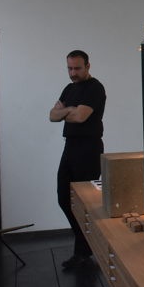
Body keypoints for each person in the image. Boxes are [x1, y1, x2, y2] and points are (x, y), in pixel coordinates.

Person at [49, 50, 106, 270]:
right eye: (69, 68)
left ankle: (82, 251)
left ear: (88, 66)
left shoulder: (95, 88)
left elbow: (80, 117)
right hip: (70, 146)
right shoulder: (69, 88)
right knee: (63, 197)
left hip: (89, 148)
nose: (73, 73)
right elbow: (52, 116)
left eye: (77, 68)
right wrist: (69, 110)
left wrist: (65, 111)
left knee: (84, 202)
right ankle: (86, 245)